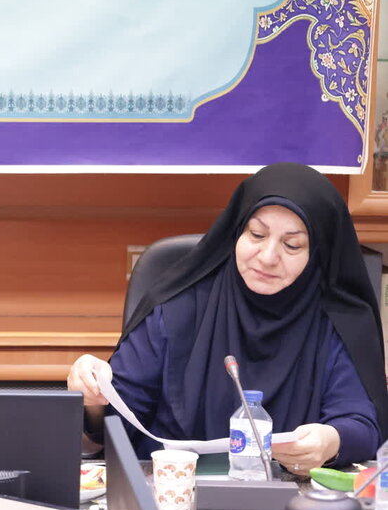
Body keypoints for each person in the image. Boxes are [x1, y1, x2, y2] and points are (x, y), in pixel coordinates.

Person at [68, 162, 388, 474]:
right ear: (237, 230)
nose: (267, 257)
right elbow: (111, 426)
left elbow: (361, 424)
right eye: (257, 234)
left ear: (318, 252)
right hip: (172, 492)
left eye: (292, 245)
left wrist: (331, 441)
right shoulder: (178, 306)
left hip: (288, 497)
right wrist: (92, 400)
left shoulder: (339, 322)